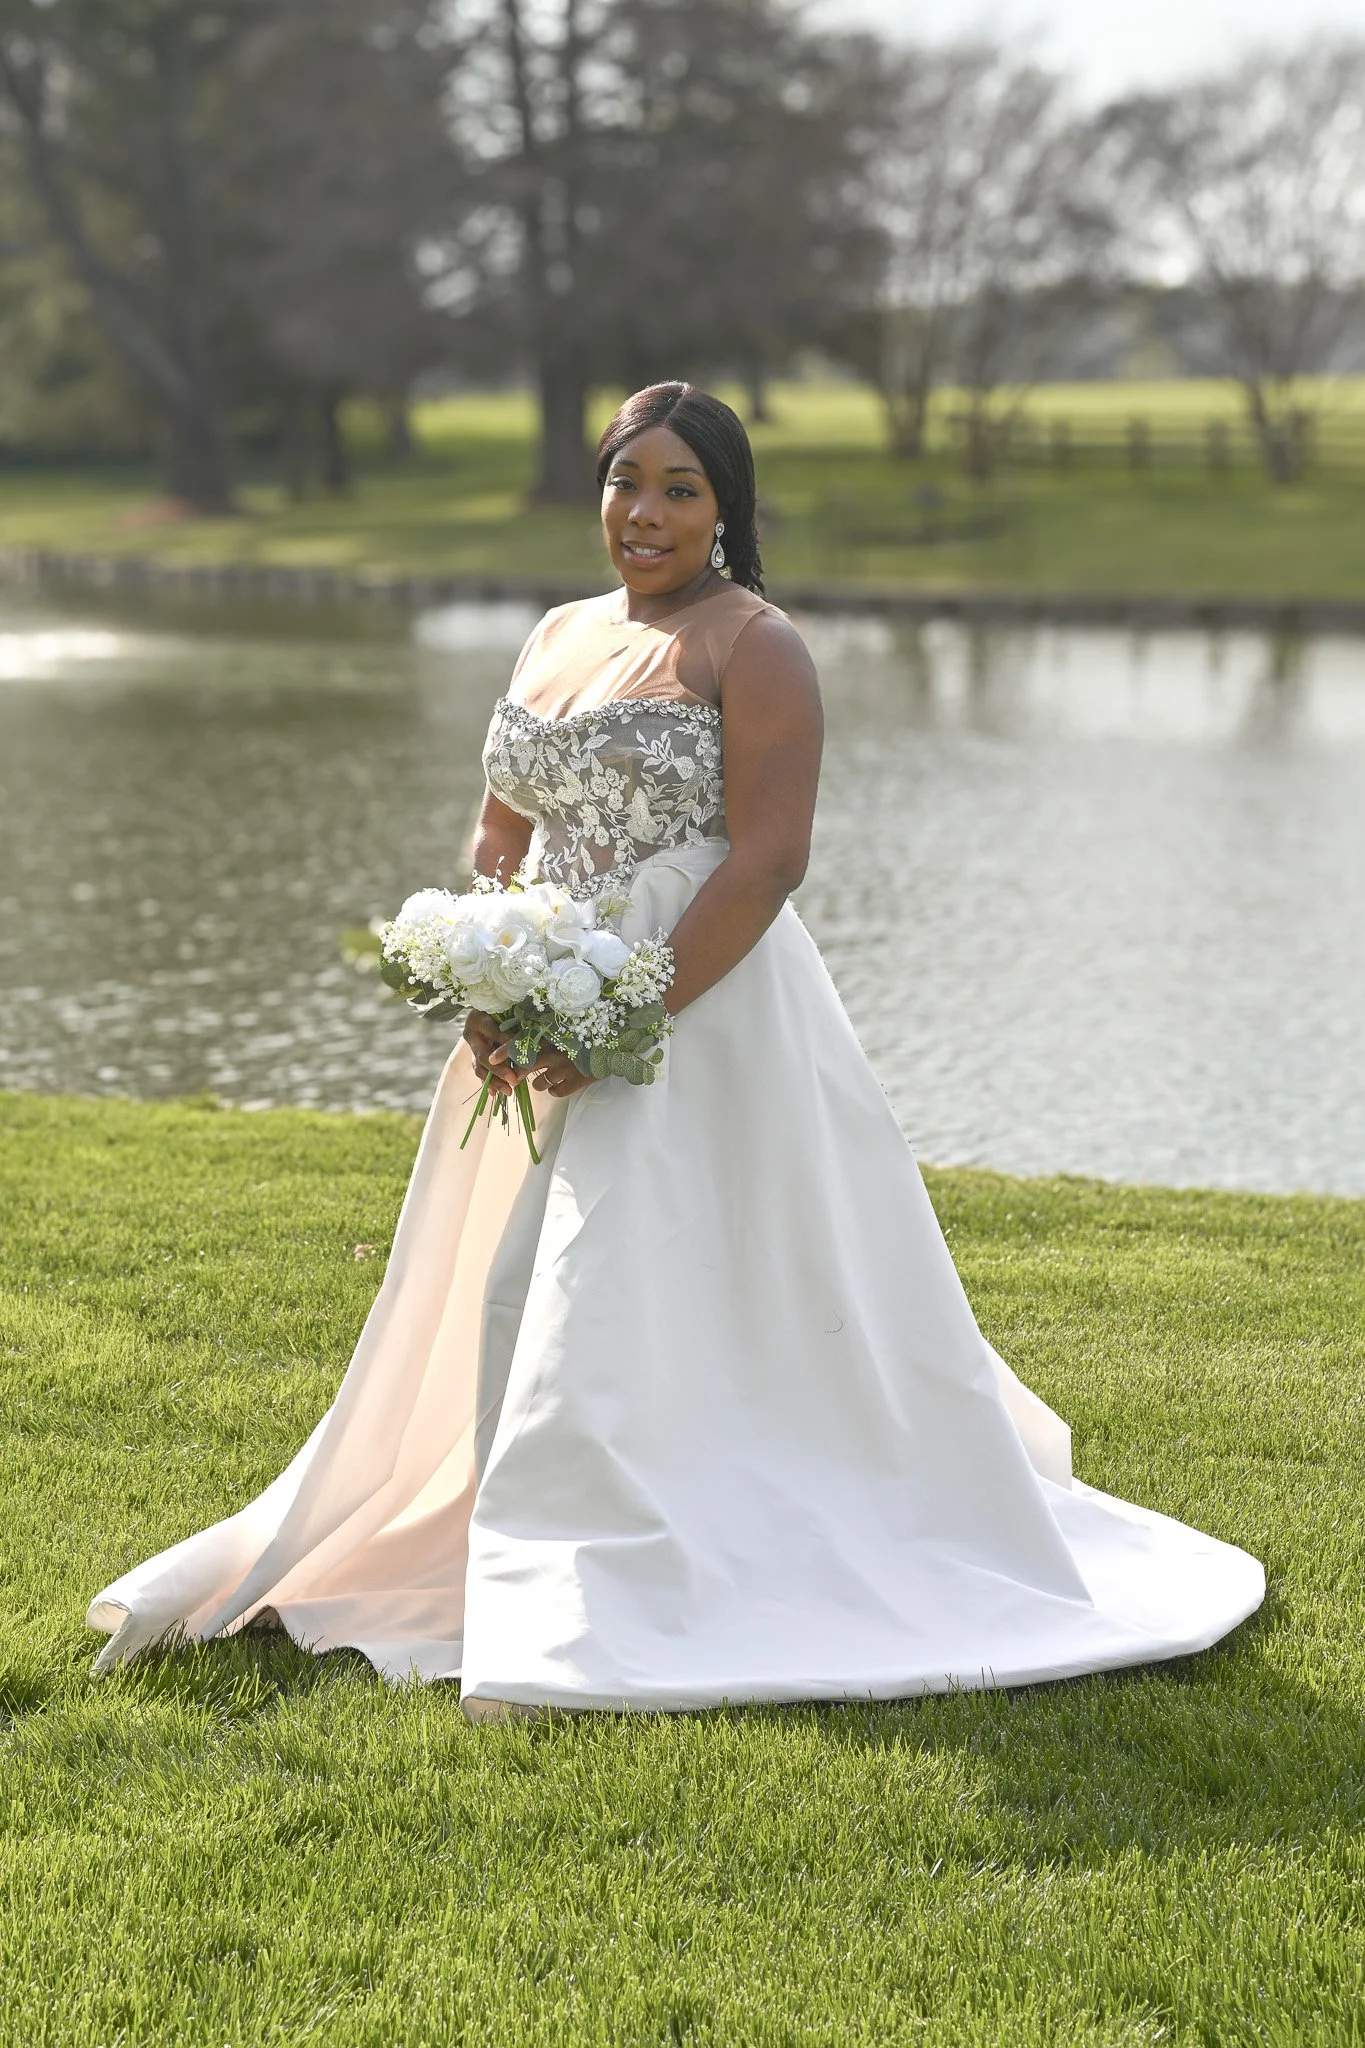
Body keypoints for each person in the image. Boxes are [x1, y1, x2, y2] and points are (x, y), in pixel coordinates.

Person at [88, 384, 1263, 1711]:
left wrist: (626, 1019)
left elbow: (769, 861)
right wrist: (495, 958)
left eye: (680, 489)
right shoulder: (556, 630)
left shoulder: (753, 646)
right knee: (498, 1274)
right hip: (542, 1001)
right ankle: (492, 1511)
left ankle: (618, 1553)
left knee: (637, 1266)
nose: (643, 512)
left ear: (726, 510)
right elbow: (500, 827)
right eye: (623, 481)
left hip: (695, 1003)